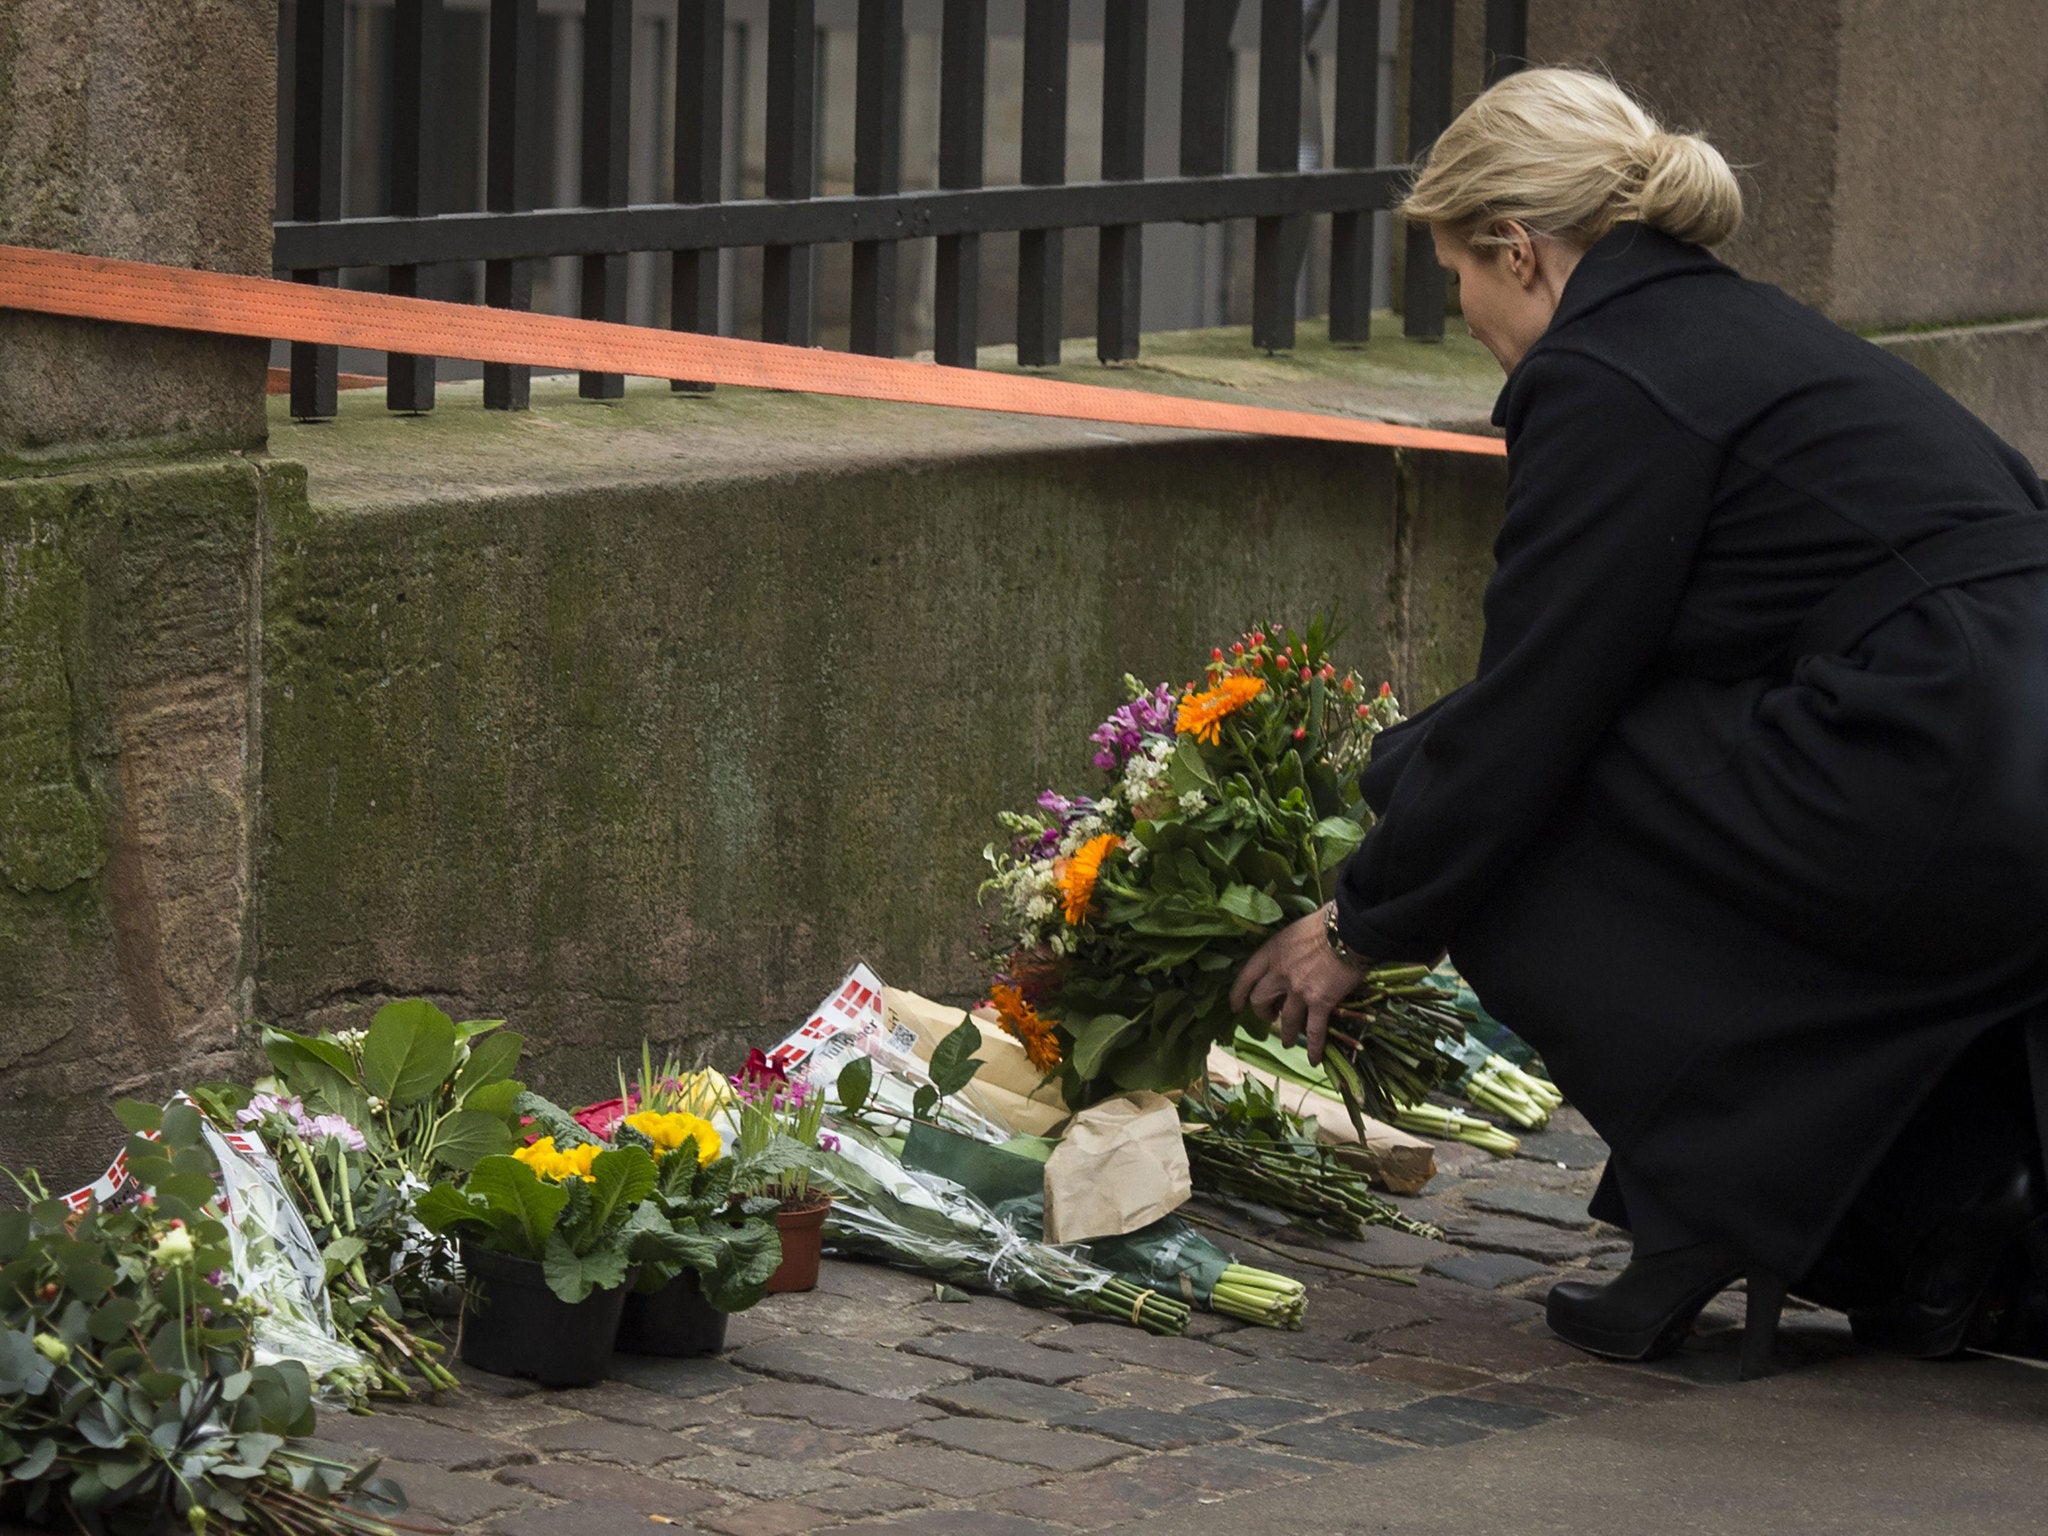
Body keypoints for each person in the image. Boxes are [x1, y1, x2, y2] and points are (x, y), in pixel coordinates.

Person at [1231, 66, 2048, 1375]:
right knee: (1532, 774)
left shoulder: (1610, 372)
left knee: (1482, 794)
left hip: (1932, 762)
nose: (1468, 313)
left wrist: (1362, 924)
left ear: (1519, 252)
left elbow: (1539, 703)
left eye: (1460, 275)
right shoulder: (1738, 328)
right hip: (1985, 759)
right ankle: (1919, 1233)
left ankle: (1720, 1213)